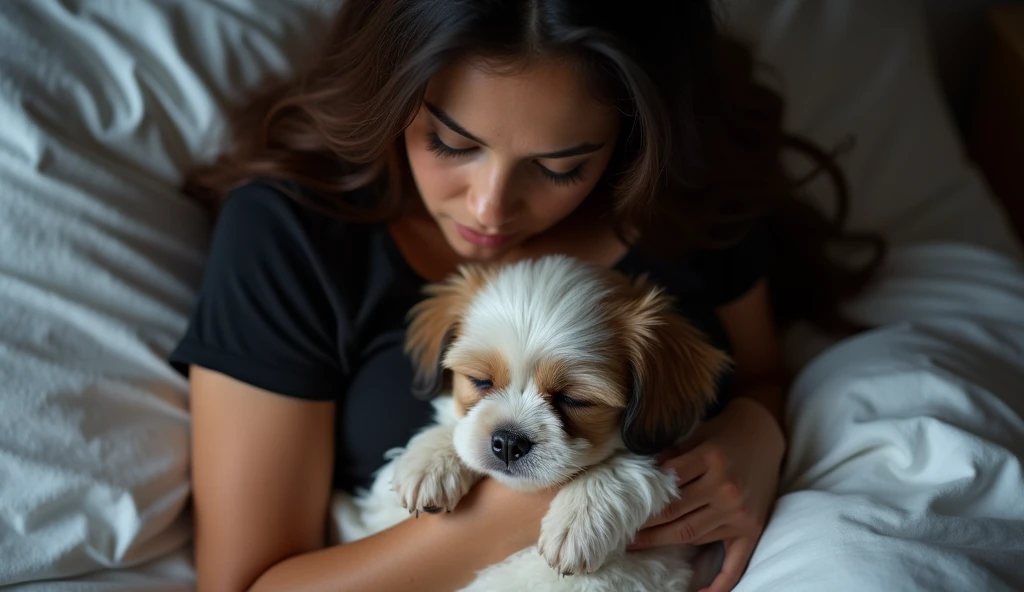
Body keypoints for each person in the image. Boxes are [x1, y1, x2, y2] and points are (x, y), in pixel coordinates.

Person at [171, 1, 883, 591]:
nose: (489, 207)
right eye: (452, 143)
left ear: (629, 137)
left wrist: (755, 434)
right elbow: (245, 585)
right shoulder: (290, 233)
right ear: (391, 93)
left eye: (559, 166)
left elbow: (758, 373)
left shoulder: (686, 204)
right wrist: (513, 512)